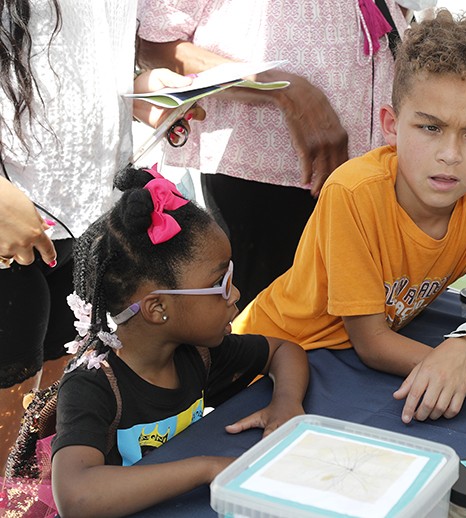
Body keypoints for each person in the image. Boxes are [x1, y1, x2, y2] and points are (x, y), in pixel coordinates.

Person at [233, 10, 466, 425]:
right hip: (276, 353)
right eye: (430, 128)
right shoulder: (352, 193)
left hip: (345, 359)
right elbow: (371, 342)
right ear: (391, 125)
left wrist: (465, 347)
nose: (451, 154)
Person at [0, 0, 203, 473]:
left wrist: (143, 93)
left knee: (44, 419)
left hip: (86, 210)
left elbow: (80, 53)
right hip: (11, 213)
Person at [135, 0, 434, 309]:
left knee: (352, 318)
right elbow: (157, 46)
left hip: (373, 164)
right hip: (262, 173)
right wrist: (280, 88)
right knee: (259, 325)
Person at [50, 165, 308, 517]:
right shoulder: (93, 385)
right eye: (220, 283)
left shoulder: (198, 354)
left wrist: (286, 402)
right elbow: (77, 498)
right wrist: (204, 469)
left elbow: (283, 351)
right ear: (158, 308)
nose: (235, 294)